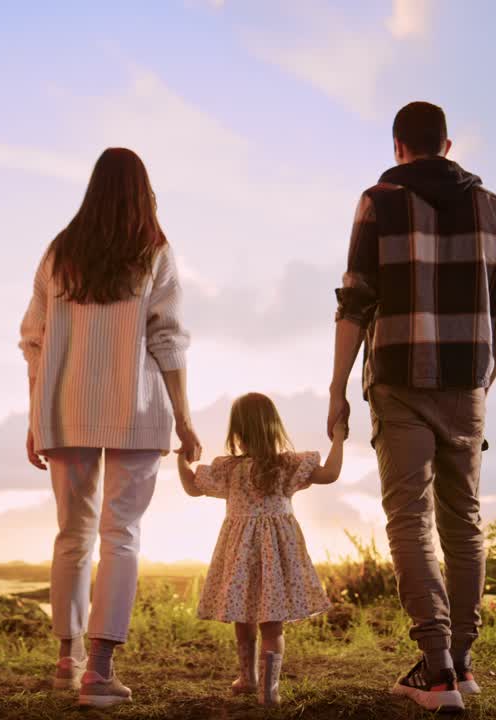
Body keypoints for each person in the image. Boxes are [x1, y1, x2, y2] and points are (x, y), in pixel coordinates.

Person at [326, 101, 496, 712]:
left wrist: (336, 388)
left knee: (409, 519)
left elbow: (356, 299)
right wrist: (485, 377)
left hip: (399, 378)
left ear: (398, 147)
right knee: (463, 519)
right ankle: (461, 664)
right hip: (467, 382)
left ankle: (436, 666)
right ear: (446, 143)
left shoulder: (379, 202)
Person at [19, 147, 202, 708]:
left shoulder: (59, 252)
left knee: (71, 536)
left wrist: (36, 415)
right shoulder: (154, 252)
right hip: (136, 410)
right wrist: (186, 419)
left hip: (65, 409)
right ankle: (99, 672)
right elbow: (167, 338)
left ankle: (65, 661)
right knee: (120, 534)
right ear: (142, 191)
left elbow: (33, 338)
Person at [176, 392, 344, 705]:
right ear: (274, 427)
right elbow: (330, 474)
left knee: (244, 615)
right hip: (277, 553)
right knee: (272, 623)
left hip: (240, 551)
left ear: (236, 431)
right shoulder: (286, 465)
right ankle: (269, 690)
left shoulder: (229, 468)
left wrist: (182, 459)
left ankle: (248, 676)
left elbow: (191, 487)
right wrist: (339, 439)